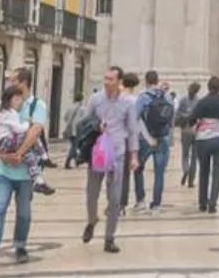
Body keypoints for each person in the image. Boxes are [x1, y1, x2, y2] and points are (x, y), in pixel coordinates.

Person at [0, 68, 43, 272]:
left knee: (24, 213)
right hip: (3, 170)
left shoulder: (37, 105)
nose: (8, 84)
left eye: (12, 80)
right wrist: (1, 155)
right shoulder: (2, 104)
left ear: (23, 82)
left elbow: (35, 131)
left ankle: (20, 246)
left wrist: (19, 155)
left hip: (24, 172)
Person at [81, 65, 140, 252]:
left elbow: (132, 130)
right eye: (105, 78)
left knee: (114, 199)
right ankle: (92, 220)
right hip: (97, 152)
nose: (106, 82)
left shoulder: (128, 103)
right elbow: (83, 123)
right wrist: (97, 125)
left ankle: (109, 238)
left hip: (118, 153)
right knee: (92, 194)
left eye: (110, 79)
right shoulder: (95, 99)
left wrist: (134, 156)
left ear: (119, 81)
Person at [189, 75, 219, 213]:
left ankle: (202, 203)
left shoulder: (202, 102)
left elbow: (191, 119)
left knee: (204, 171)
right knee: (218, 172)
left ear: (208, 87)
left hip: (203, 140)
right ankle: (213, 203)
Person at [134, 72, 174, 212]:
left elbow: (135, 117)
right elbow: (170, 119)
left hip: (146, 139)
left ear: (146, 81)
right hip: (163, 138)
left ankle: (140, 200)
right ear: (157, 81)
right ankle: (156, 203)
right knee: (159, 172)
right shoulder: (167, 97)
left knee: (138, 169)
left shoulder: (143, 97)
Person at [177, 79, 201, 189]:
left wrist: (184, 117)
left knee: (185, 154)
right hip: (196, 130)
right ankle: (191, 180)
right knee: (194, 157)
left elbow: (177, 114)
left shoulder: (182, 100)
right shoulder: (199, 101)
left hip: (185, 129)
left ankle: (185, 170)